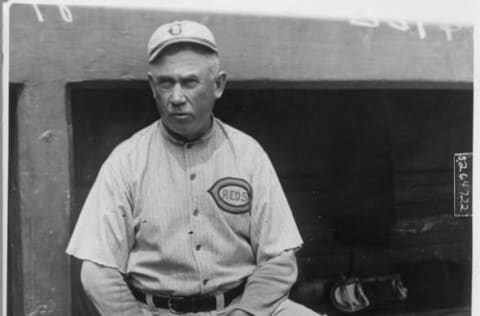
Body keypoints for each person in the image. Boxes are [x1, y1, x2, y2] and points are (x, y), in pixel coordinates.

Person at [67, 20, 323, 316]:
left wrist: (246, 313)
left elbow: (280, 258)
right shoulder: (126, 160)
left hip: (241, 308)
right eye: (165, 83)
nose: (176, 97)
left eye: (190, 82)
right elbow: (97, 269)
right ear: (152, 86)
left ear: (218, 85)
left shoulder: (247, 153)